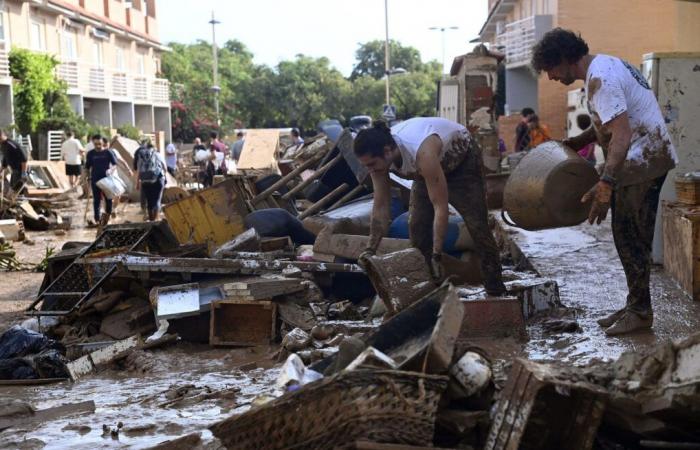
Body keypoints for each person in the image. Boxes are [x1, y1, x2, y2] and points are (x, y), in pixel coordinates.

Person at [532, 28, 678, 335]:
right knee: (627, 235)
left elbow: (622, 135)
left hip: (642, 163)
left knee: (630, 238)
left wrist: (605, 183)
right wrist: (579, 140)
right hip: (645, 157)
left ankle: (640, 311)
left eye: (550, 69)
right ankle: (635, 304)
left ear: (564, 58)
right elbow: (612, 125)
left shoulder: (602, 79)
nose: (551, 77)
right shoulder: (605, 66)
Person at [354, 118, 506, 296]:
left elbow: (440, 207)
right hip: (425, 171)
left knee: (477, 225)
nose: (370, 170)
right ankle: (429, 289)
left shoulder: (422, 152)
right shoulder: (379, 163)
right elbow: (380, 207)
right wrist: (370, 249)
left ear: (387, 151)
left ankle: (495, 287)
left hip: (461, 163)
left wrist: (437, 254)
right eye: (366, 166)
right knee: (417, 227)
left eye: (371, 164)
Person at [84, 134, 117, 228]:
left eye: (99, 144)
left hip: (107, 179)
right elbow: (87, 167)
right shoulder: (90, 154)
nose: (98, 146)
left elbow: (115, 164)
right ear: (93, 144)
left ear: (102, 143)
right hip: (95, 180)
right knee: (97, 200)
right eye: (95, 144)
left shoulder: (108, 152)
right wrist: (87, 177)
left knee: (108, 199)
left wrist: (111, 170)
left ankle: (108, 217)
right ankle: (97, 220)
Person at [135, 141, 167, 221]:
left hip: (145, 181)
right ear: (154, 147)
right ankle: (155, 220)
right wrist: (164, 177)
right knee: (157, 200)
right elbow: (165, 168)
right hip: (157, 180)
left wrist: (137, 182)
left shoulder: (141, 156)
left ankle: (151, 220)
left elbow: (139, 170)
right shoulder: (157, 154)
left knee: (149, 201)